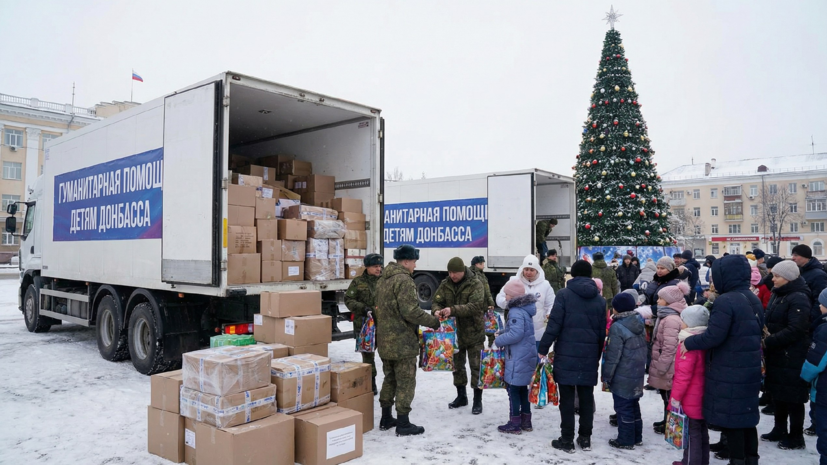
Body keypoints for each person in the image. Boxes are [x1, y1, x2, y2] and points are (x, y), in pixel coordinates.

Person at [683, 255, 764, 465]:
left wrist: (688, 342)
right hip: (748, 366)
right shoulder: (751, 297)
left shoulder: (726, 301)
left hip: (730, 368)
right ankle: (750, 459)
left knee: (733, 419)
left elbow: (714, 336)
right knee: (746, 418)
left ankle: (737, 460)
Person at [538, 260, 607, 453]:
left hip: (566, 354)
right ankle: (585, 438)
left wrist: (543, 347)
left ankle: (566, 439)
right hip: (589, 354)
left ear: (573, 275)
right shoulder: (600, 300)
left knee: (567, 399)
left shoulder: (564, 295)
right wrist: (597, 353)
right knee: (586, 397)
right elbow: (602, 332)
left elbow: (554, 325)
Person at [375, 244, 441, 436]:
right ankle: (403, 423)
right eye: (413, 261)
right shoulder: (404, 280)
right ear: (405, 261)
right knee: (405, 382)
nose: (415, 265)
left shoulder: (382, 280)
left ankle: (386, 417)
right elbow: (410, 311)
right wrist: (433, 322)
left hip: (385, 340)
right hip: (402, 342)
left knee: (389, 379)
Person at [760, 260, 811, 450]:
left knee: (794, 397)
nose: (773, 278)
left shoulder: (798, 297)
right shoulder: (778, 293)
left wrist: (769, 341)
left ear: (789, 278)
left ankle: (796, 436)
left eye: (777, 276)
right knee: (778, 393)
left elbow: (796, 329)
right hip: (777, 353)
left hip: (792, 354)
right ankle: (779, 428)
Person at [432, 257, 486, 414]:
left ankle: (477, 399)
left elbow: (475, 306)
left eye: (455, 272)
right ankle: (461, 396)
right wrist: (436, 310)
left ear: (463, 271)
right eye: (450, 272)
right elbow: (437, 301)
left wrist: (452, 310)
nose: (452, 275)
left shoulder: (475, 283)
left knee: (476, 366)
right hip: (454, 335)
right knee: (457, 367)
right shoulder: (445, 284)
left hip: (474, 332)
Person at [603, 293, 647, 450]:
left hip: (623, 373)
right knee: (633, 404)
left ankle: (626, 440)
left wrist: (607, 375)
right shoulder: (638, 322)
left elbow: (613, 356)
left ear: (616, 308)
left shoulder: (617, 327)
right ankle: (637, 436)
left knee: (623, 407)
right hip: (636, 371)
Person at [494, 279, 538, 434]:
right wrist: (503, 332)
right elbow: (519, 330)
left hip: (518, 357)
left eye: (506, 294)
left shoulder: (515, 311)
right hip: (526, 355)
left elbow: (516, 334)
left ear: (512, 296)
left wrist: (499, 340)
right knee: (522, 390)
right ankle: (526, 421)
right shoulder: (525, 309)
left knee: (513, 390)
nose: (505, 297)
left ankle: (514, 423)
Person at [792, 244, 827, 437]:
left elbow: (820, 301)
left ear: (805, 256)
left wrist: (812, 321)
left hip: (814, 325)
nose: (793, 258)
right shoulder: (803, 271)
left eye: (796, 255)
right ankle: (815, 420)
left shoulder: (818, 274)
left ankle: (816, 422)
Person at [670, 305, 711, 465]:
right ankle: (702, 461)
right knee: (701, 430)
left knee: (691, 432)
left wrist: (675, 397)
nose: (680, 322)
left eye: (683, 320)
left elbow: (683, 376)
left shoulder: (688, 344)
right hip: (703, 393)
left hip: (690, 396)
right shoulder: (705, 339)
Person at [649, 282, 690, 434]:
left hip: (668, 365)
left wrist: (661, 366)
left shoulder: (671, 319)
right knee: (666, 394)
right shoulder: (667, 315)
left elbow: (670, 346)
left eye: (660, 299)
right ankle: (667, 419)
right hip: (667, 363)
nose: (658, 301)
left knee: (669, 395)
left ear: (670, 301)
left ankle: (671, 425)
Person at [496, 255, 555, 356]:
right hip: (518, 330)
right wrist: (509, 302)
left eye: (532, 270)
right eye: (526, 269)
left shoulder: (545, 285)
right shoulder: (514, 281)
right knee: (519, 361)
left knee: (535, 361)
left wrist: (548, 314)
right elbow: (500, 299)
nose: (528, 272)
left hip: (538, 332)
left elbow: (551, 304)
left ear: (537, 270)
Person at [344, 253, 383, 395]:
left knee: (387, 356)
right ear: (367, 267)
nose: (378, 269)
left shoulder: (385, 281)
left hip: (384, 326)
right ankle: (371, 383)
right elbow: (348, 299)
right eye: (375, 266)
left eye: (379, 266)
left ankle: (390, 386)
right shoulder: (358, 283)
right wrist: (362, 308)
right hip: (365, 327)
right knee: (368, 357)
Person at [801, 288, 827, 465]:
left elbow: (815, 362)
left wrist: (804, 377)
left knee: (825, 436)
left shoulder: (824, 329)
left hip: (825, 392)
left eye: (822, 302)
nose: (819, 305)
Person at [469, 256, 496, 348]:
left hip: (481, 305)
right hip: (478, 306)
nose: (484, 265)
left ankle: (489, 342)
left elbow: (487, 290)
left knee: (486, 324)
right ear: (477, 264)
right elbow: (485, 291)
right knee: (482, 325)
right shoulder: (473, 275)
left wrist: (490, 303)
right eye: (482, 263)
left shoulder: (480, 274)